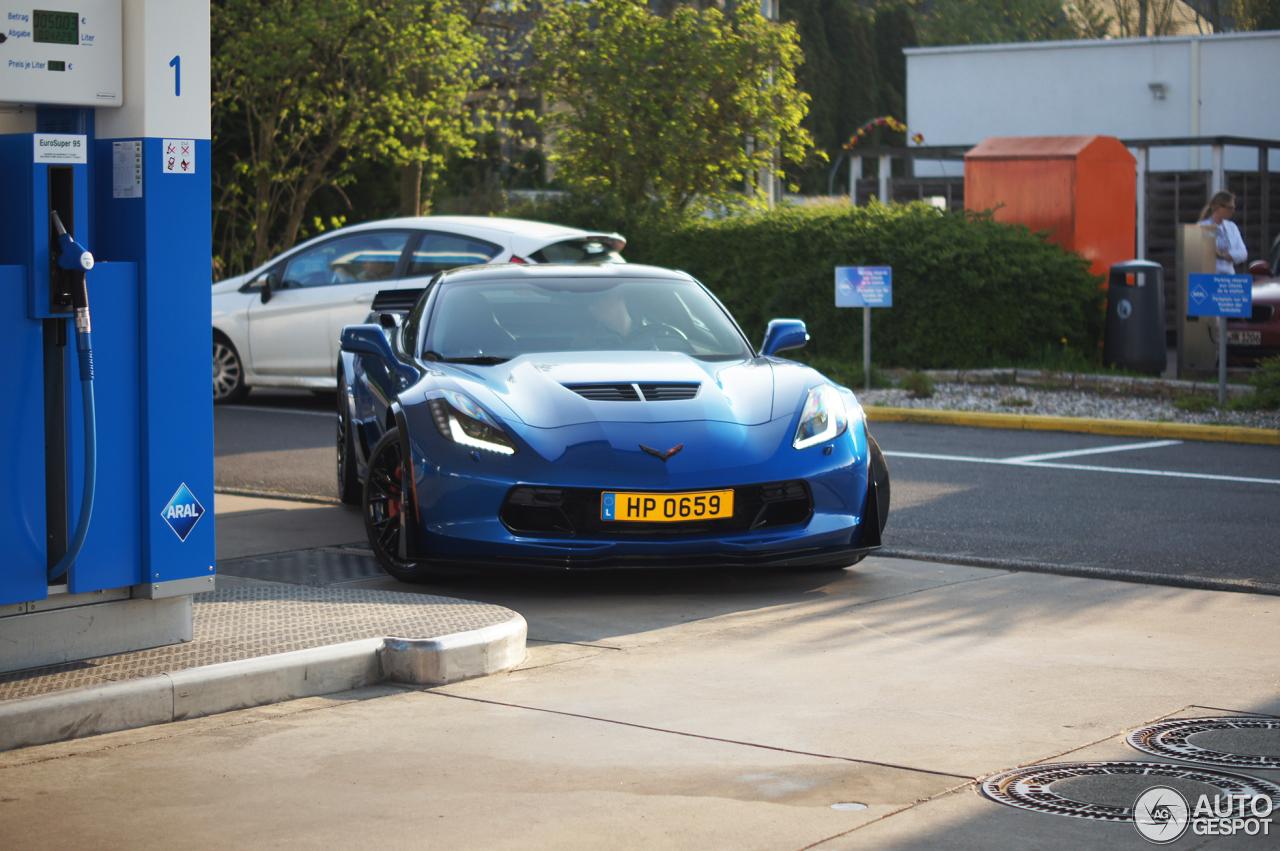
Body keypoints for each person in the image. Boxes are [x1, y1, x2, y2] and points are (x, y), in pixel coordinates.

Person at [1197, 191, 1248, 274]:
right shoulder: (1202, 227)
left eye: (1233, 208)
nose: (1233, 211)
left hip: (1228, 278)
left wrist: (1222, 256)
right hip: (1209, 277)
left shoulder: (1232, 227)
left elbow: (1243, 254)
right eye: (1230, 208)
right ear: (1218, 207)